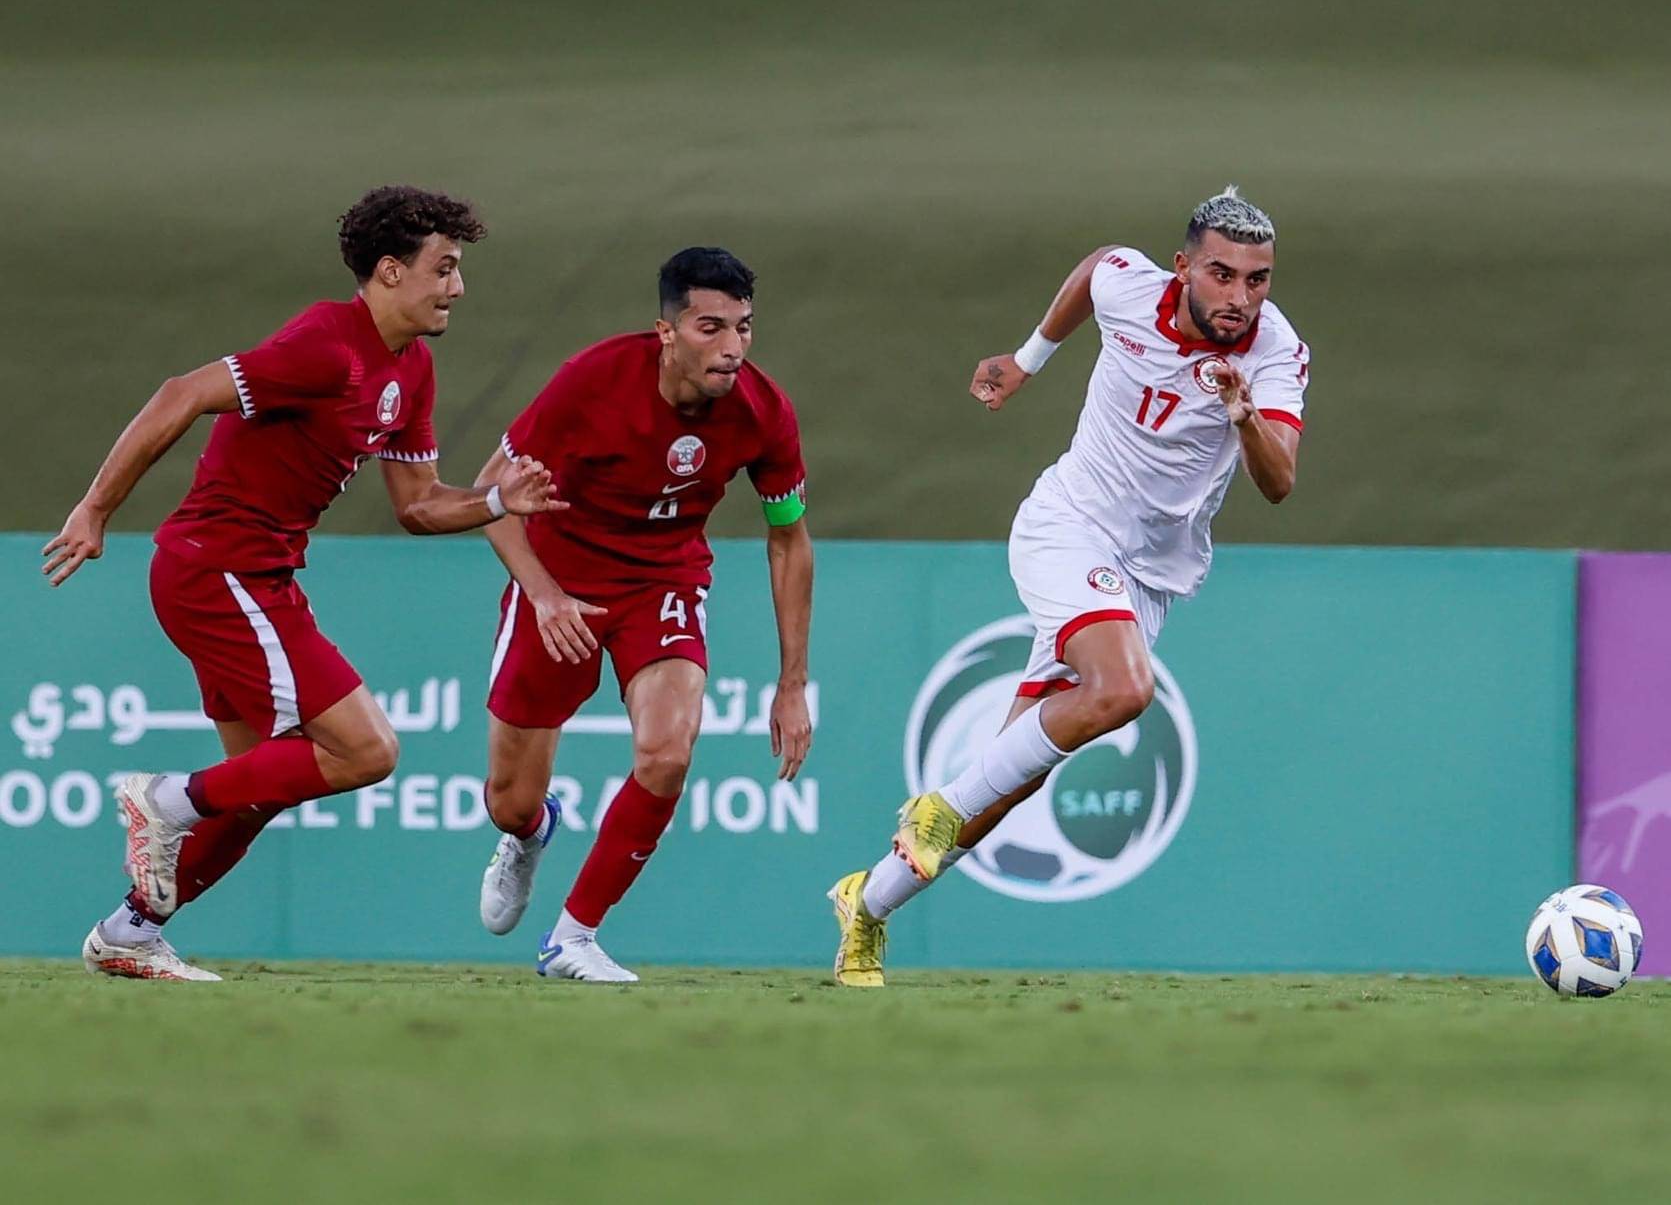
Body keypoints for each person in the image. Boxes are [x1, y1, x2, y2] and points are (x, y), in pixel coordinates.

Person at [43, 186, 556, 981]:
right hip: (215, 568)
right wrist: (94, 509)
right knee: (367, 748)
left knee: (256, 787)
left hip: (259, 575)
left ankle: (129, 931)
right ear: (390, 271)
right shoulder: (327, 344)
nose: (458, 286)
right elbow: (182, 393)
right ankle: (164, 801)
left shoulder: (411, 368)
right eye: (444, 268)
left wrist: (495, 501)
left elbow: (417, 506)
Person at [828, 187, 1309, 986]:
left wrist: (1241, 413)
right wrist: (1026, 360)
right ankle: (933, 808)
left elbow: (1279, 480)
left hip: (1150, 574)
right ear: (1183, 266)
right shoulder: (1130, 281)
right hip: (1068, 526)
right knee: (1123, 688)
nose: (1239, 296)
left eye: (1256, 279)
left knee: (1008, 784)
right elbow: (1091, 273)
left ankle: (866, 905)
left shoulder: (1275, 351)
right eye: (1222, 274)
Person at [473, 247, 813, 983]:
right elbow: (488, 497)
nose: (731, 348)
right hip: (559, 578)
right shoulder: (590, 381)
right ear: (665, 331)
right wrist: (542, 592)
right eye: (710, 327)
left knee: (666, 752)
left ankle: (573, 937)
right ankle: (530, 834)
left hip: (663, 577)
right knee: (508, 799)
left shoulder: (764, 411)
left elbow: (788, 539)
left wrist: (792, 681)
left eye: (744, 328)